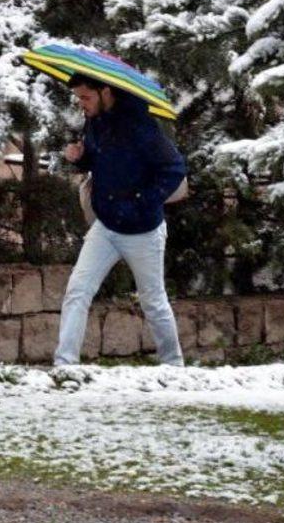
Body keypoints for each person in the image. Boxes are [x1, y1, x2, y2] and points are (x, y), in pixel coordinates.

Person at [54, 73, 187, 366]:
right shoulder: (95, 123)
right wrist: (80, 158)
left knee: (153, 301)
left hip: (143, 231)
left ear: (105, 92)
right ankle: (64, 364)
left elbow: (175, 168)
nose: (81, 104)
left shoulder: (141, 128)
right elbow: (102, 162)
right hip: (106, 226)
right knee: (77, 290)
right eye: (78, 98)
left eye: (85, 97)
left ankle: (174, 365)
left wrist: (141, 202)